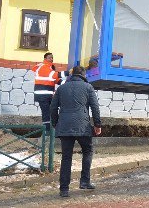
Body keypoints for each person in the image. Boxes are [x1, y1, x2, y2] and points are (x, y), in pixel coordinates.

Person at [50, 65, 102, 198]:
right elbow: (95, 107)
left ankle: (64, 189)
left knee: (66, 157)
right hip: (82, 126)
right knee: (88, 151)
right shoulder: (88, 87)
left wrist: (55, 123)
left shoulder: (61, 88)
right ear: (84, 75)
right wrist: (97, 124)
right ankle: (84, 181)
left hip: (65, 126)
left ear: (72, 75)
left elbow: (53, 107)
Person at [31, 52, 65, 131]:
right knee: (46, 112)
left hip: (47, 95)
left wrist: (69, 82)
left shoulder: (49, 68)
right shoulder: (44, 67)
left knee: (52, 110)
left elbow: (57, 80)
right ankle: (47, 131)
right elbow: (55, 75)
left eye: (52, 57)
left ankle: (53, 128)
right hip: (42, 95)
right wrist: (69, 72)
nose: (52, 59)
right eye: (50, 57)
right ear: (45, 59)